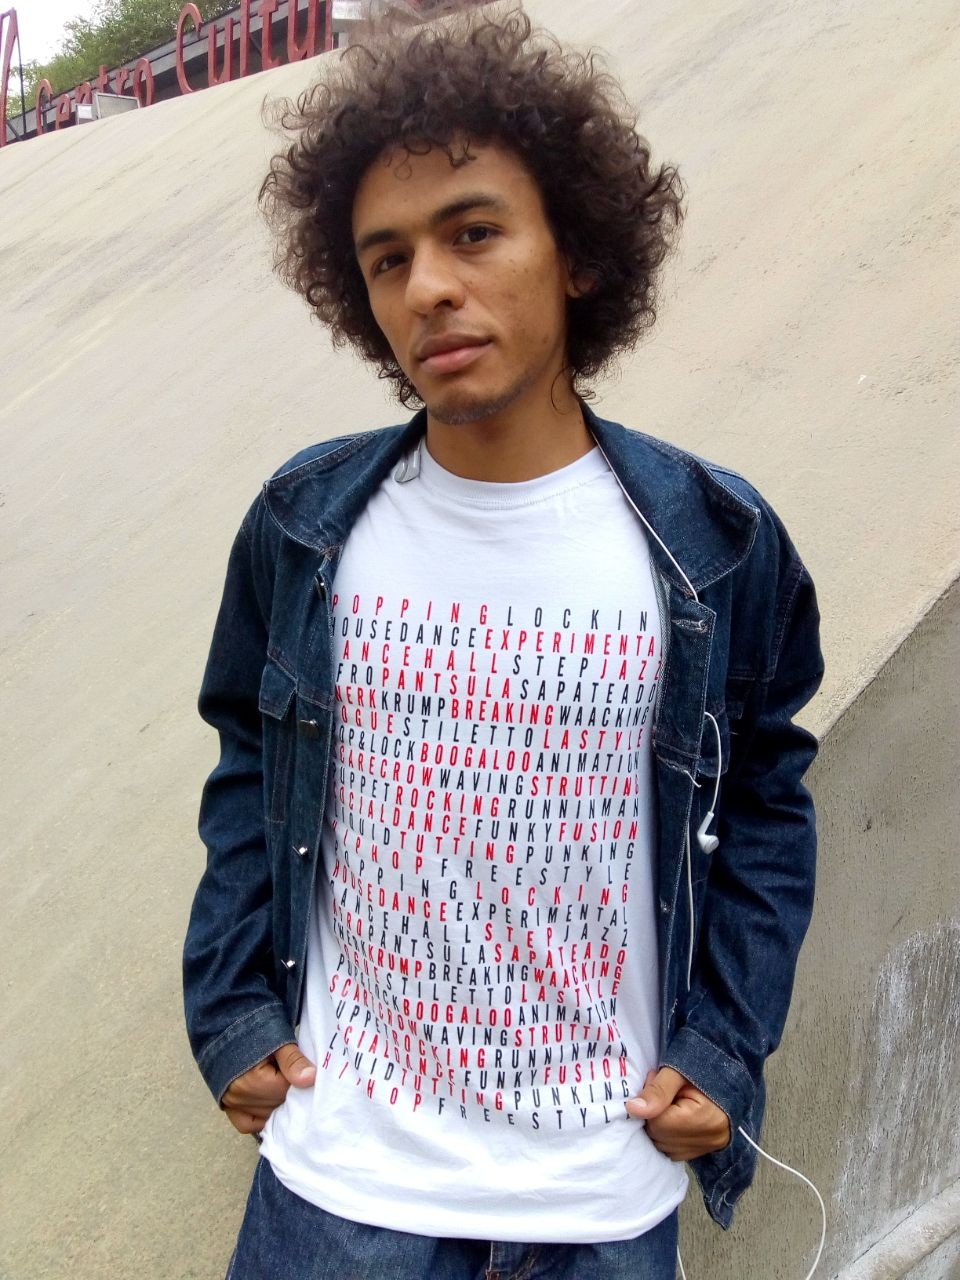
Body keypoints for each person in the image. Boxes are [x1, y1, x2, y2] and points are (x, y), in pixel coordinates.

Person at [183, 8, 824, 1278]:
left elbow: (764, 796)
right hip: (339, 1190)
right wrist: (230, 1008)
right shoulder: (304, 527)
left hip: (600, 1194)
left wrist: (725, 1044)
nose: (427, 286)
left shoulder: (716, 542)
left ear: (573, 251)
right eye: (387, 258)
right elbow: (248, 766)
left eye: (472, 232)